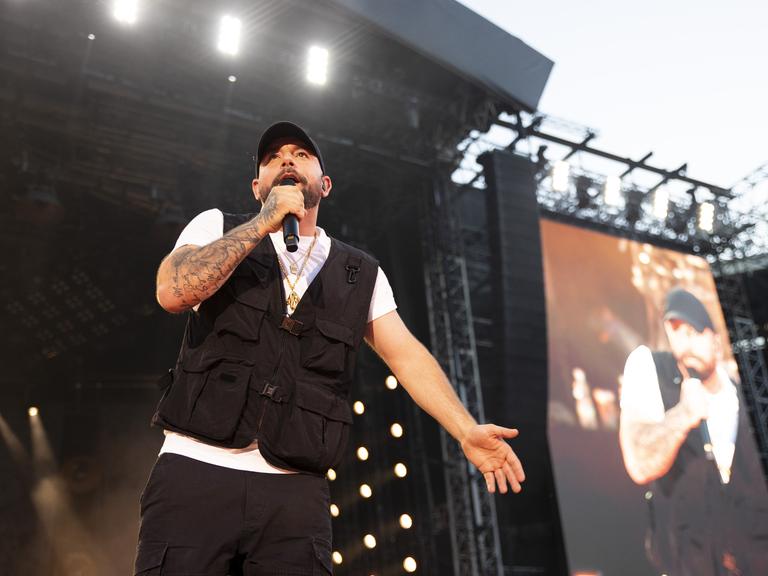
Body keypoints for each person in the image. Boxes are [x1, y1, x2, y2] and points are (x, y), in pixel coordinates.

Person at [133, 121, 526, 575]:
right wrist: (263, 223)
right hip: (195, 472)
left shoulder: (360, 272)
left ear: (325, 183)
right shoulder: (216, 225)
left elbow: (407, 356)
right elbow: (173, 292)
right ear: (257, 185)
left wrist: (465, 430)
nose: (286, 160)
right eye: (273, 157)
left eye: (300, 155)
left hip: (295, 492)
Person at [619, 287, 768, 576]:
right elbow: (639, 464)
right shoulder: (651, 367)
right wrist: (684, 414)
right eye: (676, 331)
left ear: (715, 341)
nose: (685, 342)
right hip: (685, 562)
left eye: (694, 331)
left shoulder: (744, 395)